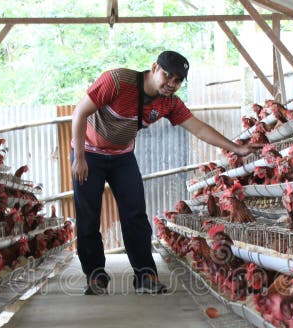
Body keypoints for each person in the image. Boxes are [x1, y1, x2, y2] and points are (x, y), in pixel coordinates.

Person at [71, 50, 260, 295]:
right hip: (89, 153)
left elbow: (198, 128)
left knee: (135, 214)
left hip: (122, 157)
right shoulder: (117, 81)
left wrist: (236, 148)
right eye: (167, 76)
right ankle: (95, 277)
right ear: (153, 68)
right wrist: (80, 158)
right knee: (88, 216)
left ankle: (145, 275)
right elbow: (80, 113)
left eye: (178, 81)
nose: (171, 84)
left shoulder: (169, 102)